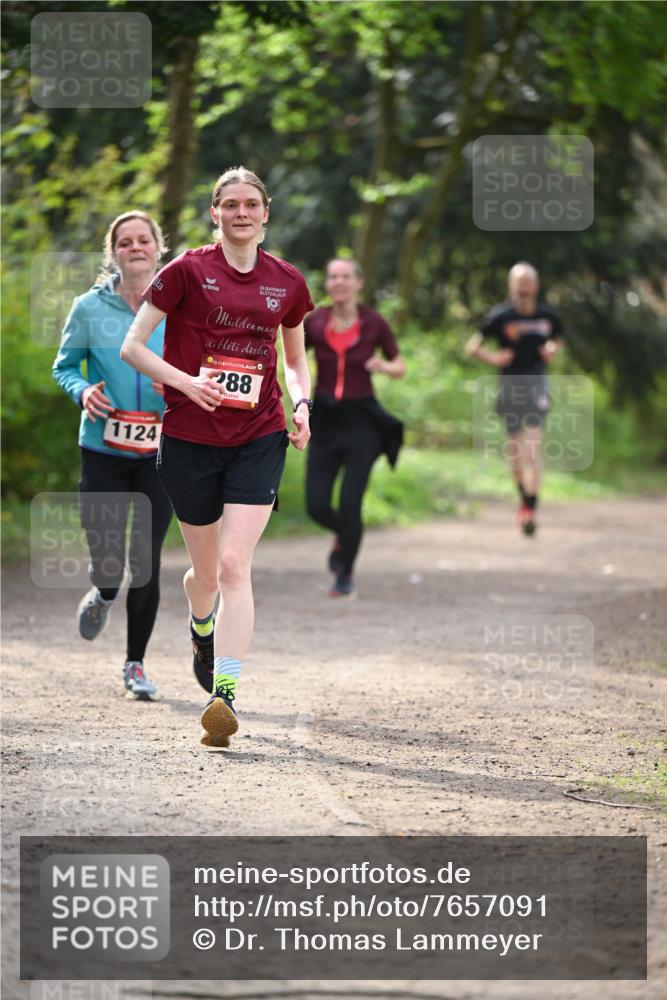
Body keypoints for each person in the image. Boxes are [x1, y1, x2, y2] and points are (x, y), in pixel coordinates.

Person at [120, 166, 313, 748]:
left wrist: (302, 406)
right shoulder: (186, 272)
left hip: (259, 435)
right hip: (189, 440)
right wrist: (187, 383)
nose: (241, 213)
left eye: (251, 203)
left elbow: (296, 361)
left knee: (234, 566)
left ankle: (223, 697)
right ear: (215, 213)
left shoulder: (287, 282)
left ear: (265, 213)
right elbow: (133, 346)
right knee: (204, 574)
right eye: (229, 204)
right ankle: (201, 627)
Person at [52, 211, 172, 700]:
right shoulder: (87, 307)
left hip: (161, 450)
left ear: (158, 247)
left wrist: (181, 389)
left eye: (144, 239)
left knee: (145, 561)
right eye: (126, 242)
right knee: (109, 561)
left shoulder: (180, 305)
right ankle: (103, 592)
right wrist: (82, 391)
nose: (136, 247)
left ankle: (135, 665)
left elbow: (202, 360)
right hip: (102, 447)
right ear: (114, 251)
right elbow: (65, 366)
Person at [304, 258, 405, 597]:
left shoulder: (375, 323)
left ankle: (345, 572)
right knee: (316, 505)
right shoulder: (314, 321)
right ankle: (345, 535)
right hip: (325, 421)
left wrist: (384, 367)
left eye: (346, 276)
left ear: (359, 283)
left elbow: (399, 364)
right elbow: (291, 356)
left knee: (350, 502)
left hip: (362, 422)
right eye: (333, 277)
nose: (339, 282)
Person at [466, 262, 563, 535]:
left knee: (533, 448)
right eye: (518, 282)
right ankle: (524, 499)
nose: (523, 287)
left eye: (527, 282)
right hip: (509, 386)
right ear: (511, 286)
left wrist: (552, 349)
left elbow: (557, 340)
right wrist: (494, 357)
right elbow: (473, 346)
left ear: (535, 285)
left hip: (537, 384)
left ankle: (531, 508)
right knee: (516, 454)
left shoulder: (547, 316)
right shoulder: (501, 316)